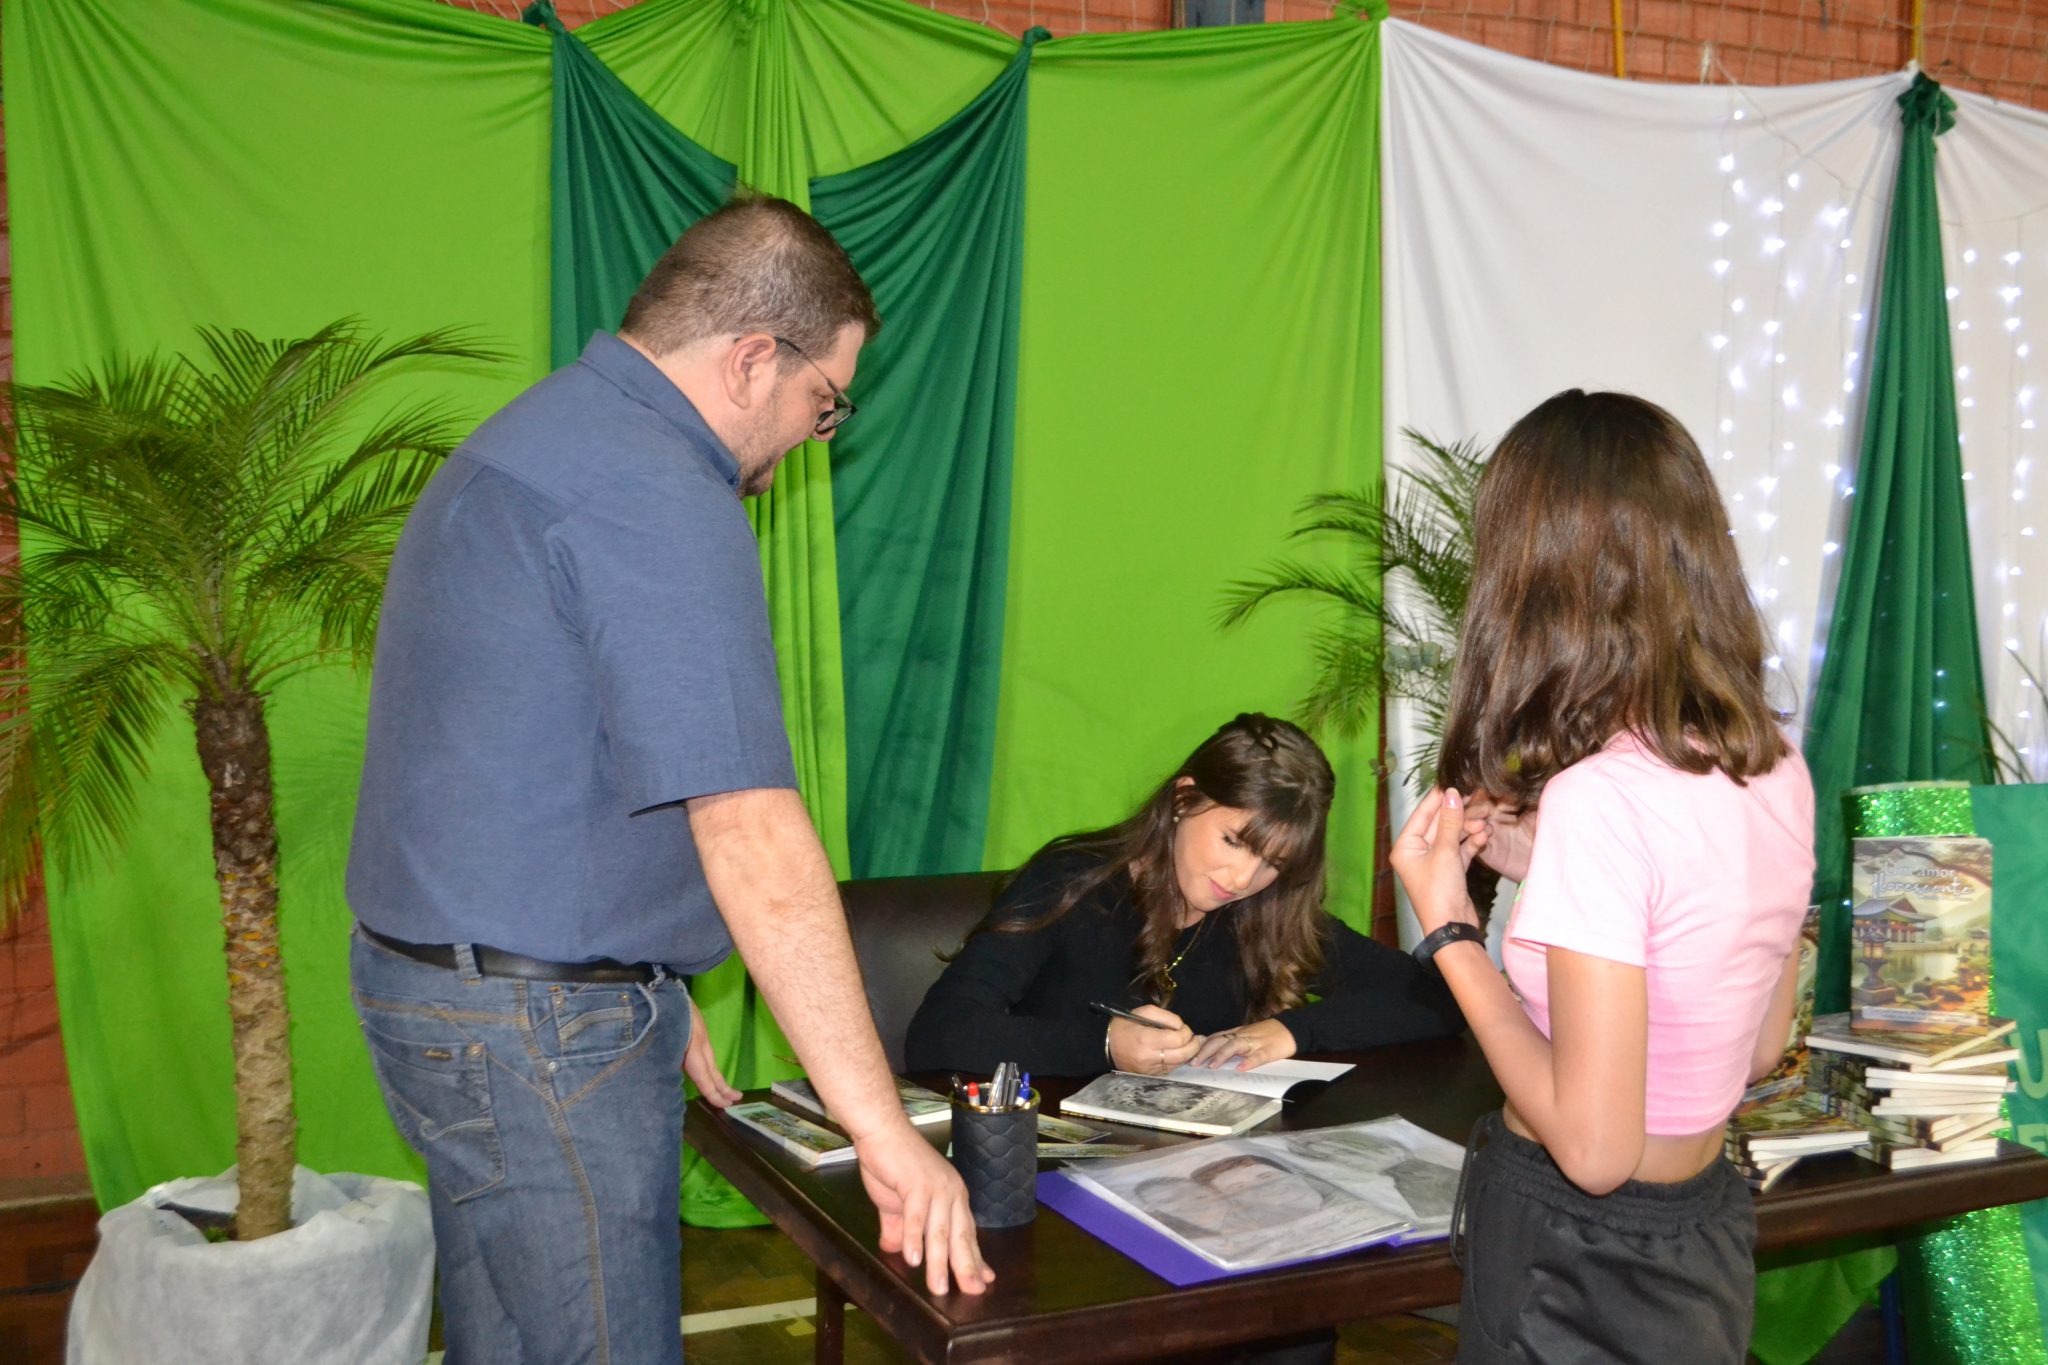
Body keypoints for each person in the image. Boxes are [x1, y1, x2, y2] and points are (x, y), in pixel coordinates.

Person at [346, 193, 989, 1365]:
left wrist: (637, 964)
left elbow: (520, 747)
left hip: (446, 992)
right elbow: (752, 833)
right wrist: (882, 1129)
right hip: (537, 1031)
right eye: (824, 401)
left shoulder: (543, 433)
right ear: (752, 359)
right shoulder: (655, 493)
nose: (817, 433)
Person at [1389, 390, 1813, 1364]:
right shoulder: (1773, 766)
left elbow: (1592, 1151)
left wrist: (1449, 928)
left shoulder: (1602, 799)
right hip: (1702, 1241)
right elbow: (1750, 1051)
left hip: (1573, 1266)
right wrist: (1548, 863)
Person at [904, 712, 1464, 1078]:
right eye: (1234, 841)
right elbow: (939, 1033)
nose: (1242, 879)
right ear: (1184, 800)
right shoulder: (1073, 881)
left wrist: (1295, 1030)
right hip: (1048, 1171)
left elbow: (1442, 998)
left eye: (1274, 863)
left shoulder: (1269, 913)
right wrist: (1103, 1044)